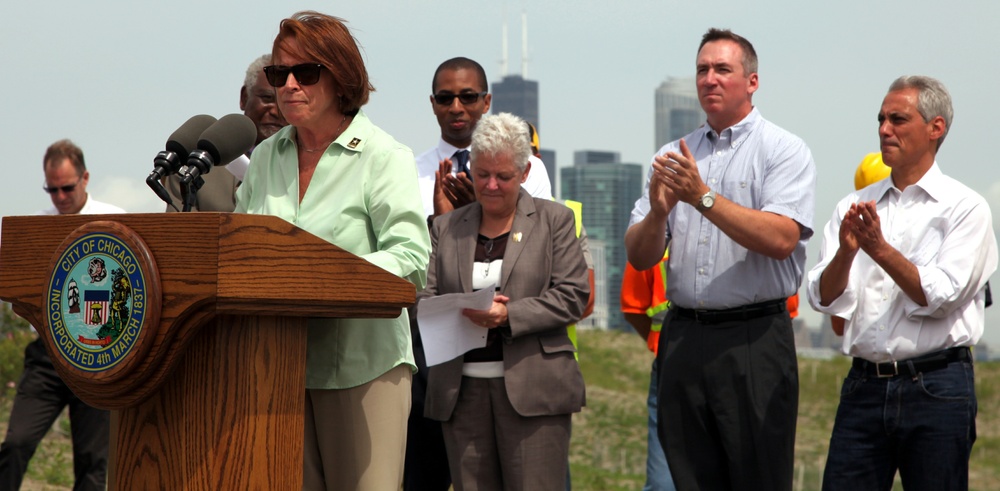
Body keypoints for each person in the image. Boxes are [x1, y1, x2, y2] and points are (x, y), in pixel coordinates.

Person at [233, 11, 430, 490]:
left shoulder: (385, 157)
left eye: (306, 72)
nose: (289, 85)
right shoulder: (264, 158)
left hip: (364, 371)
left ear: (341, 77)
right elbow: (240, 253)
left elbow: (410, 260)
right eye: (279, 74)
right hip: (275, 369)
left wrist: (323, 276)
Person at [624, 28, 816, 491]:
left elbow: (782, 238)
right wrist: (658, 212)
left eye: (722, 70)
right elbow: (639, 254)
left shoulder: (783, 150)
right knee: (687, 477)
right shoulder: (672, 155)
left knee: (757, 477)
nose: (709, 79)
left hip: (753, 339)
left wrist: (703, 197)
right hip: (684, 337)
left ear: (752, 81)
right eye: (702, 70)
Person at [807, 75, 997, 491]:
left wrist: (879, 249)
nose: (883, 129)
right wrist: (846, 252)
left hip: (936, 387)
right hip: (863, 385)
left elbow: (941, 296)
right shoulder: (852, 207)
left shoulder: (966, 209)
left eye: (897, 119)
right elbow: (822, 298)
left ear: (936, 128)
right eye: (880, 119)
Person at [404, 57, 555, 491]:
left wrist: (481, 210)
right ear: (432, 104)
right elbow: (417, 267)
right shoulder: (409, 171)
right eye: (446, 97)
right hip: (435, 351)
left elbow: (538, 255)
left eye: (468, 97)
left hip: (511, 349)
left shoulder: (532, 171)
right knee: (425, 473)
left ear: (486, 102)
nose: (457, 107)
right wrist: (443, 224)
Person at [418, 112, 589, 490]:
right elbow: (427, 296)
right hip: (460, 395)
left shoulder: (554, 221)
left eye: (504, 177)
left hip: (534, 394)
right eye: (482, 175)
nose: (491, 185)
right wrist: (444, 309)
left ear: (525, 173)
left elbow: (573, 295)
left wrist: (508, 314)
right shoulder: (447, 227)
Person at [0, 139, 124, 491]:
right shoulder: (34, 229)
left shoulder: (115, 220)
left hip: (98, 357)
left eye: (66, 187)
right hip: (48, 355)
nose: (59, 197)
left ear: (85, 178)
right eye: (51, 189)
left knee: (93, 461)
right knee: (16, 442)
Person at [164, 53, 287, 212]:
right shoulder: (196, 166)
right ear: (244, 97)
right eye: (268, 98)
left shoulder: (306, 166)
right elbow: (177, 231)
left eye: (285, 103)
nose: (276, 111)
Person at [620, 252, 676, 491]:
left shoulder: (658, 237)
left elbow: (633, 308)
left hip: (670, 363)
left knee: (663, 482)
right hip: (672, 367)